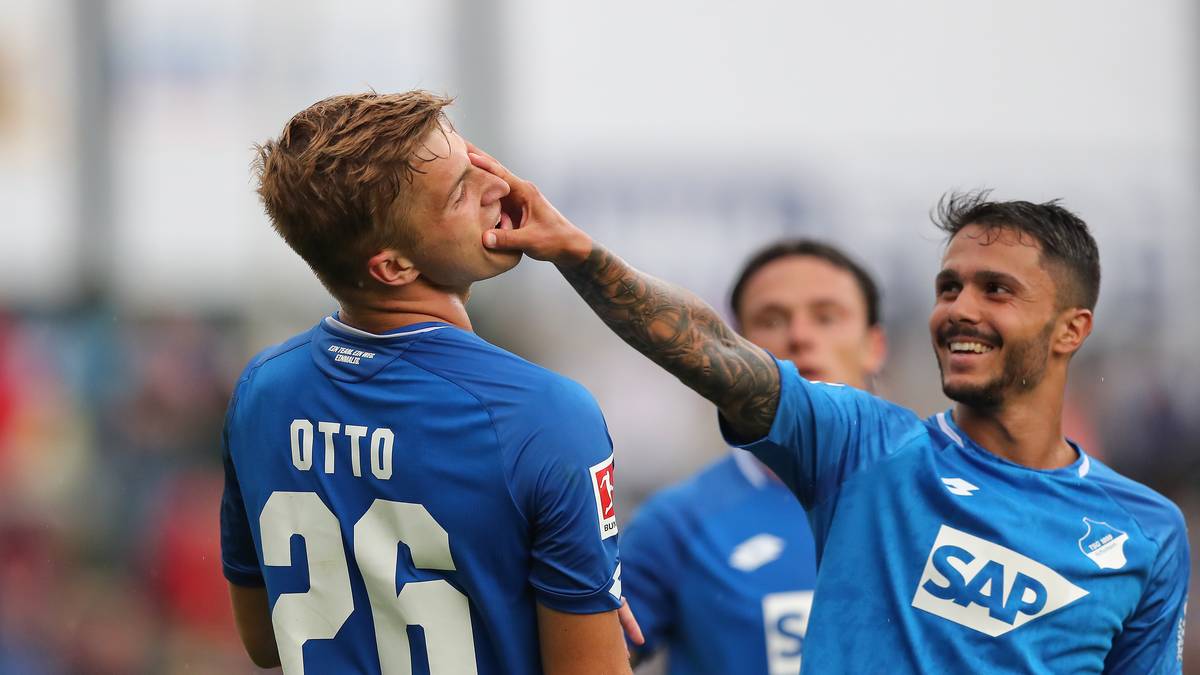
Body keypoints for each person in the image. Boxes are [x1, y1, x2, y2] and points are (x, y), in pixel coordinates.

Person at [470, 146, 1190, 674]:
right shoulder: (865, 448)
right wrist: (579, 253)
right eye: (948, 287)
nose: (958, 310)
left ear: (1072, 328)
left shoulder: (1147, 533)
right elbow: (706, 347)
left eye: (995, 289)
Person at [219, 91, 633, 675]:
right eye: (462, 191)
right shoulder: (544, 413)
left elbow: (265, 641)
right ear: (394, 267)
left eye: (475, 162)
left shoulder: (262, 389)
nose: (503, 189)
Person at [620, 240, 885, 674]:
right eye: (772, 319)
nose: (800, 336)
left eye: (826, 316)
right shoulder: (679, 524)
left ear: (875, 344)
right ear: (735, 349)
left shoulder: (951, 502)